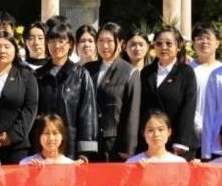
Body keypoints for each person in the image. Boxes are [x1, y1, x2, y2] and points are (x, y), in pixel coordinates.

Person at [34, 22, 98, 160]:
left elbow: (88, 114)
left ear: (70, 44)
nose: (56, 45)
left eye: (62, 41)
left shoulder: (81, 75)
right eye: (52, 41)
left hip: (71, 147)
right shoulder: (38, 75)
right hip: (43, 147)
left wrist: (84, 153)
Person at [0, 30, 38, 164]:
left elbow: (30, 108)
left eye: (7, 47)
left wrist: (12, 135)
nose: (2, 51)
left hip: (17, 146)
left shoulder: (26, 75)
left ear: (15, 50)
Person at [85, 22, 140, 162]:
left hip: (114, 144)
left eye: (109, 41)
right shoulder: (88, 69)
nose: (105, 46)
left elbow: (132, 113)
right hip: (89, 142)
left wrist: (128, 148)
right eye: (101, 41)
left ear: (120, 43)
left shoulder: (129, 72)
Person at [139, 26, 196, 159]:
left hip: (176, 143)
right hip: (151, 141)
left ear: (178, 46)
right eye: (159, 43)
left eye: (169, 44)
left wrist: (181, 142)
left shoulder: (186, 72)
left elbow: (188, 108)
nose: (163, 47)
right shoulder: (146, 72)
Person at [189, 23, 221, 153]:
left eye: (208, 38)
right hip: (191, 137)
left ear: (217, 43)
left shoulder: (220, 72)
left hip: (217, 136)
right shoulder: (186, 71)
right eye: (200, 38)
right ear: (193, 43)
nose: (204, 42)